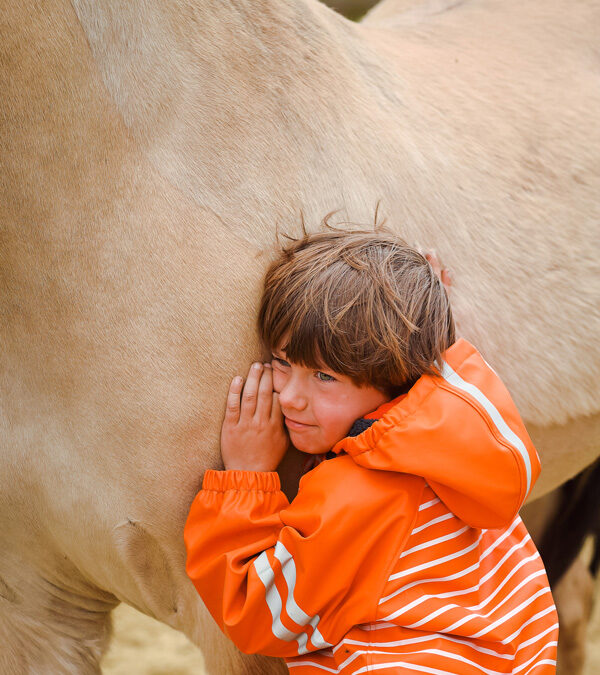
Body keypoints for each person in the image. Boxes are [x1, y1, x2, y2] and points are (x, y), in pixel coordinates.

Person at [184, 229, 558, 674]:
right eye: (283, 363)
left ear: (396, 371)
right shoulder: (464, 441)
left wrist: (245, 478)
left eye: (324, 377)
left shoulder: (357, 497)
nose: (288, 398)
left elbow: (258, 616)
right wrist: (419, 317)